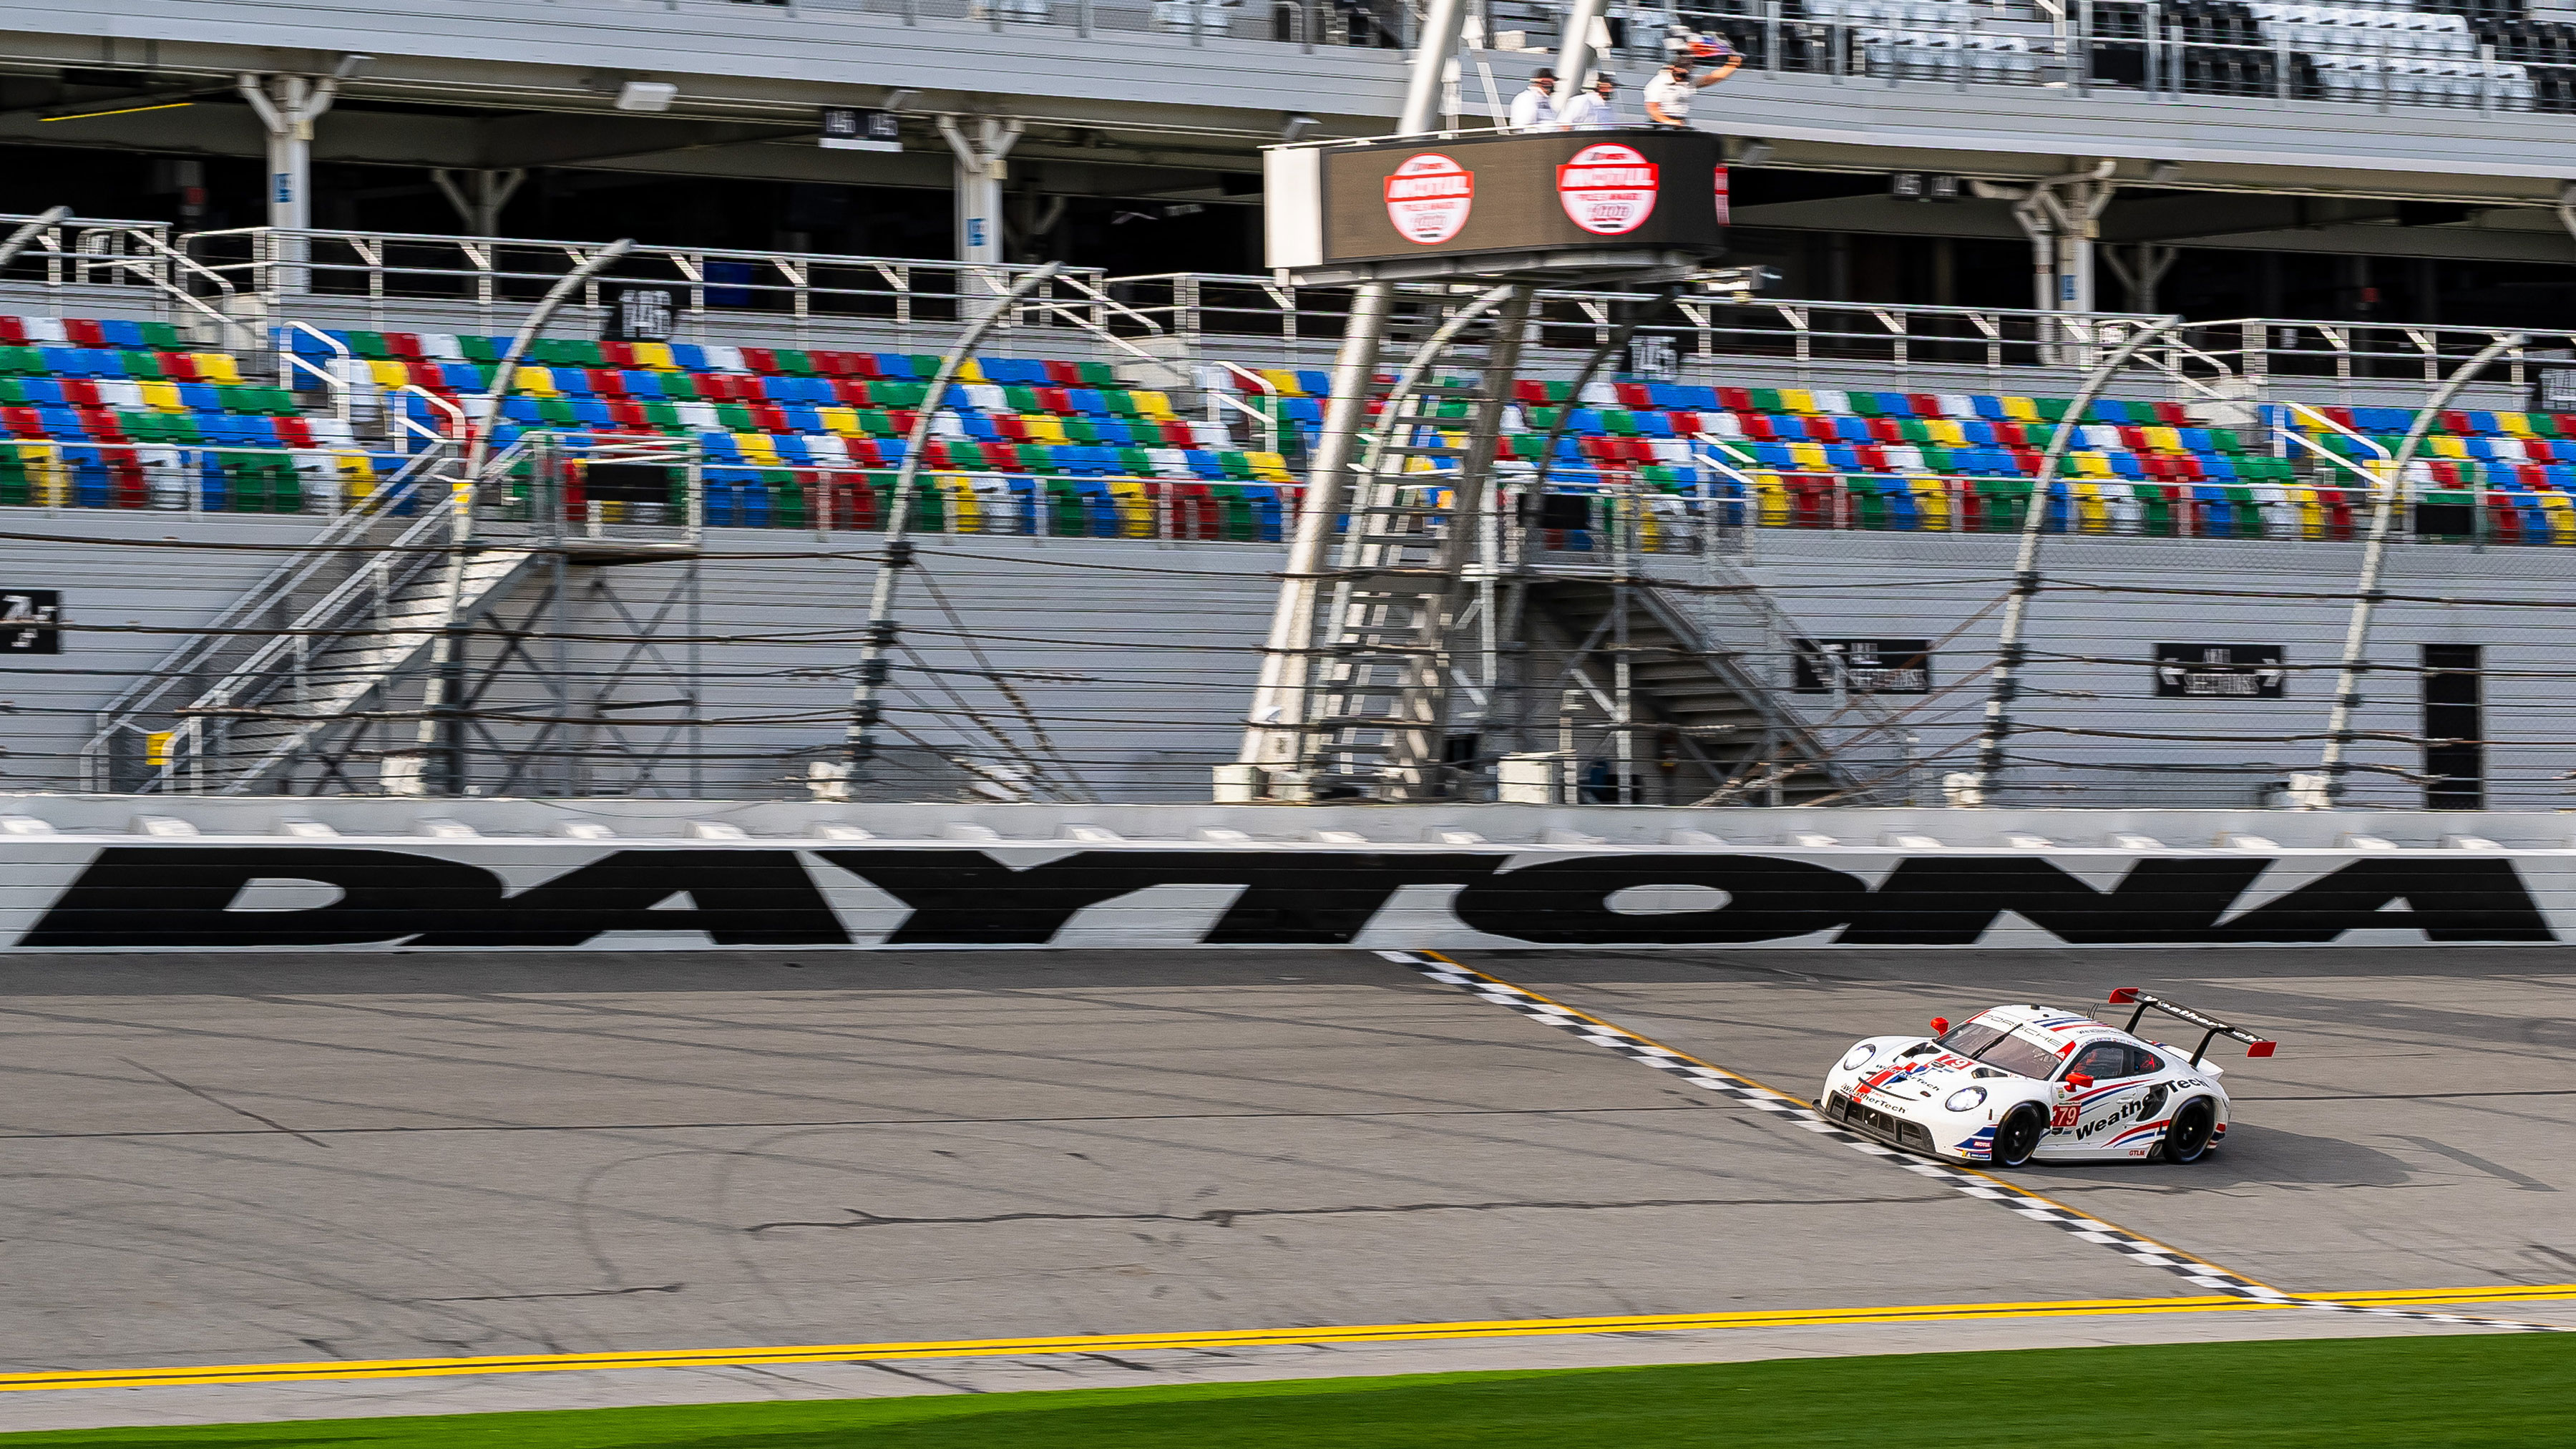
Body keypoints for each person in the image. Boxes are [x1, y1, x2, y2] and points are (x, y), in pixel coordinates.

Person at [1644, 39, 1741, 127]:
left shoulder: (1688, 81)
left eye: (1689, 67)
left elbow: (1714, 78)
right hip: (1661, 125)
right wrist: (1670, 122)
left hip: (1679, 124)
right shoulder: (1659, 82)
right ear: (1674, 68)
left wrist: (1732, 65)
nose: (1687, 70)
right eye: (1684, 67)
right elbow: (1653, 110)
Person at [1551, 72, 1621, 130]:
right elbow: (1565, 125)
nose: (1610, 90)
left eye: (1611, 88)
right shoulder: (1582, 101)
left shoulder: (1608, 106)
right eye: (1605, 87)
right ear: (1597, 87)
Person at [1506, 67, 1558, 131]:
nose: (1552, 86)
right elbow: (1522, 125)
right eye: (1547, 83)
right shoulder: (1526, 98)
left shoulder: (1546, 102)